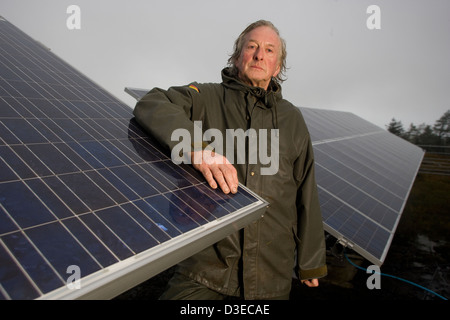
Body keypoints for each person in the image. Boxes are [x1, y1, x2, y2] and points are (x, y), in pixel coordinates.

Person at [133, 20, 327, 300]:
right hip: (205, 269)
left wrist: (310, 262)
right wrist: (195, 147)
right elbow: (153, 102)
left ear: (277, 67)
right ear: (237, 57)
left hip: (271, 277)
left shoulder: (292, 118)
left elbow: (305, 189)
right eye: (252, 46)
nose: (260, 55)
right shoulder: (205, 97)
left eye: (270, 50)